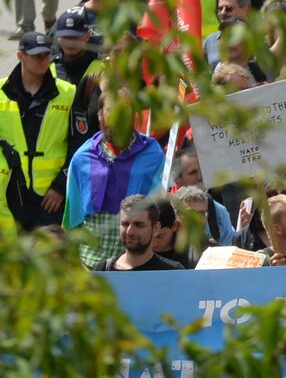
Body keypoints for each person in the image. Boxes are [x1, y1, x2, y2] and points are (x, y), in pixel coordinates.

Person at [64, 94, 164, 267]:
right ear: (100, 115)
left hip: (135, 264)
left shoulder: (153, 156)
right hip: (89, 264)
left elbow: (158, 211)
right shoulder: (82, 158)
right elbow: (72, 216)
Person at [0, 32, 75, 232]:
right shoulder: (1, 91)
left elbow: (78, 143)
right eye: (36, 55)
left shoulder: (67, 93)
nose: (43, 61)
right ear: (20, 56)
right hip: (8, 193)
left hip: (50, 199)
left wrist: (60, 185)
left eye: (46, 54)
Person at [90, 195, 184, 272]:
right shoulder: (102, 271)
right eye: (125, 224)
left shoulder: (173, 272)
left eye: (139, 225)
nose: (129, 231)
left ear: (155, 228)